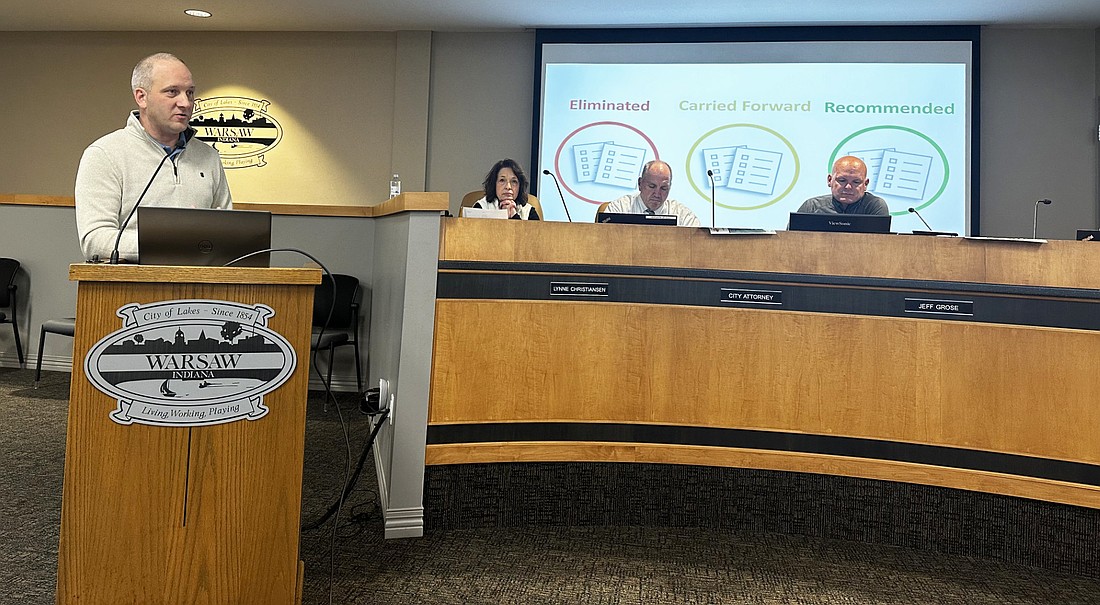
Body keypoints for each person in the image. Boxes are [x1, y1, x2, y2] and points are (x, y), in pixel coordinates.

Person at [75, 52, 231, 262]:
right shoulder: (104, 154)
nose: (185, 103)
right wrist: (174, 244)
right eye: (172, 92)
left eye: (190, 93)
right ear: (141, 97)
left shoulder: (208, 157)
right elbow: (96, 240)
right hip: (130, 290)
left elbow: (227, 234)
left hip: (202, 288)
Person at [603, 160, 700, 227]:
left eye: (663, 188)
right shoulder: (619, 208)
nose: (657, 194)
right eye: (652, 186)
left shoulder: (683, 215)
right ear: (640, 183)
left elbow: (696, 245)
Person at [797, 155, 888, 215]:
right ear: (830, 180)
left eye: (856, 182)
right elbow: (790, 241)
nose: (848, 187)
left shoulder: (874, 206)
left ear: (865, 184)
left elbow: (881, 242)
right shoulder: (812, 207)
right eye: (842, 180)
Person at [471, 159, 539, 220]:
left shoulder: (529, 212)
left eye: (514, 181)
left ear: (520, 186)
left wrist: (513, 215)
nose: (508, 187)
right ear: (494, 184)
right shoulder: (481, 207)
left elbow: (534, 234)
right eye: (502, 180)